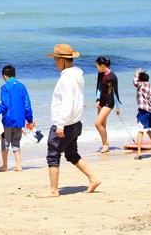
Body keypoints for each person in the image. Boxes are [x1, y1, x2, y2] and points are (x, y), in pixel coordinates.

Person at [40, 44, 101, 197]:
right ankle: (93, 179)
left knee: (53, 155)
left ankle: (53, 190)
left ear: (62, 60)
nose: (54, 62)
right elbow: (75, 101)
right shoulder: (77, 75)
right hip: (75, 122)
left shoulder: (67, 79)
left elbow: (67, 102)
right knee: (72, 154)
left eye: (55, 59)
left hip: (65, 124)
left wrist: (60, 124)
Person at [0, 64, 34, 172]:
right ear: (14, 74)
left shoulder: (5, 87)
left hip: (8, 120)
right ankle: (19, 165)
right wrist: (30, 120)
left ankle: (4, 166)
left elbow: (5, 105)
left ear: (5, 76)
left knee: (5, 142)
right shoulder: (22, 86)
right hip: (20, 120)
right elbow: (27, 105)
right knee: (16, 142)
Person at [133, 68, 151, 160]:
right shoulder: (150, 87)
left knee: (140, 131)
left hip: (143, 111)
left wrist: (136, 73)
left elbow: (134, 82)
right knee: (149, 129)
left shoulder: (140, 85)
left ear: (140, 79)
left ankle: (139, 152)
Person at [94, 57, 121, 153]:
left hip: (109, 102)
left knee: (97, 123)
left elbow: (116, 92)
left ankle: (106, 144)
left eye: (97, 66)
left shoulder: (112, 76)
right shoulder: (100, 74)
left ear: (102, 66)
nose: (96, 67)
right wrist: (97, 99)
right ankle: (105, 145)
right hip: (101, 101)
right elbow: (98, 87)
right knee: (102, 125)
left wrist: (118, 107)